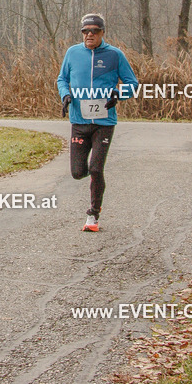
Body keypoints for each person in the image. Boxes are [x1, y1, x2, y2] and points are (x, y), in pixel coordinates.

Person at [56, 13, 138, 232]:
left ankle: (93, 215)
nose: (89, 35)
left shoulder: (114, 55)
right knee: (77, 172)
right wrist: (65, 95)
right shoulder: (73, 53)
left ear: (103, 32)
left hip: (104, 122)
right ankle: (91, 187)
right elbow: (62, 79)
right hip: (79, 121)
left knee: (95, 168)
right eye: (85, 31)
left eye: (94, 31)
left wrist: (119, 94)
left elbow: (132, 83)